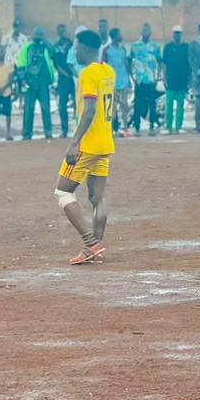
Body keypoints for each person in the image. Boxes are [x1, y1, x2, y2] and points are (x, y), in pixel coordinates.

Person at [55, 30, 116, 265]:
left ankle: (90, 242)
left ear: (87, 48)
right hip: (105, 143)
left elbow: (89, 109)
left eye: (77, 47)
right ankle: (94, 249)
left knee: (62, 193)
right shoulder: (107, 70)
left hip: (88, 144)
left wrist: (74, 142)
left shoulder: (88, 74)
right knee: (97, 197)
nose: (74, 51)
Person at [16, 26, 55, 140]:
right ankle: (27, 133)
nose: (38, 36)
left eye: (40, 34)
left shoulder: (46, 47)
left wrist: (45, 40)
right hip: (30, 81)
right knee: (28, 109)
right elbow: (21, 64)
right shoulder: (27, 47)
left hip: (43, 82)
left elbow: (53, 52)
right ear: (32, 35)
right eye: (36, 34)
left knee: (45, 108)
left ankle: (48, 132)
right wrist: (22, 79)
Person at [129, 23, 161, 135]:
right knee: (138, 104)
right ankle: (137, 127)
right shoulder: (135, 46)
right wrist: (132, 76)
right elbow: (129, 60)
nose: (146, 32)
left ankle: (152, 126)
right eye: (144, 30)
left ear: (150, 32)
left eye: (147, 30)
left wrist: (158, 75)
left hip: (151, 79)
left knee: (152, 104)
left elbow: (159, 61)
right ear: (141, 32)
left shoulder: (156, 46)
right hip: (140, 80)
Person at [162, 24, 191, 134]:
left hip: (183, 80)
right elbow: (164, 64)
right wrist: (164, 78)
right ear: (173, 34)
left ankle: (179, 126)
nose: (177, 35)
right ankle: (168, 126)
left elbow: (189, 64)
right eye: (175, 33)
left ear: (181, 34)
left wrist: (190, 79)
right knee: (168, 105)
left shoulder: (186, 47)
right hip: (170, 80)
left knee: (180, 106)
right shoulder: (168, 47)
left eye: (179, 33)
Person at [103, 28, 132, 136]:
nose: (122, 36)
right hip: (111, 83)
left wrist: (128, 80)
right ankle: (109, 131)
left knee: (125, 106)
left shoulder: (123, 49)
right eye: (120, 34)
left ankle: (125, 129)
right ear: (114, 36)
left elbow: (126, 65)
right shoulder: (107, 50)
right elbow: (103, 65)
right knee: (111, 109)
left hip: (123, 82)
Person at [52, 23, 76, 138]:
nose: (63, 32)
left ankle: (78, 127)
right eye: (60, 31)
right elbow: (55, 64)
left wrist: (73, 73)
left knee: (77, 103)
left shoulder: (73, 44)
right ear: (57, 32)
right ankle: (64, 129)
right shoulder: (56, 46)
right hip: (63, 79)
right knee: (62, 105)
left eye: (64, 30)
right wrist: (64, 73)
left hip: (74, 78)